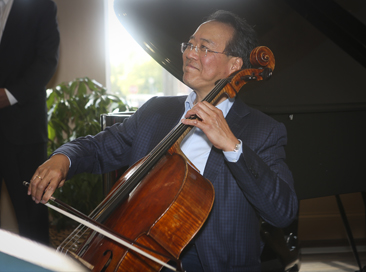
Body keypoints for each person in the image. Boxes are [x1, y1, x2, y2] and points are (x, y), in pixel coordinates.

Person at [28, 10, 297, 271]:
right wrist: (63, 159)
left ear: (235, 65)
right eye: (189, 44)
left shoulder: (263, 131)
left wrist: (232, 146)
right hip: (144, 258)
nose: (190, 53)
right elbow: (98, 147)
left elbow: (283, 212)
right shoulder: (156, 111)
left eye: (204, 48)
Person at [0, 0, 60, 245]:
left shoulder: (42, 5)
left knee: (32, 221)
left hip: (22, 132)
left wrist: (9, 95)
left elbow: (48, 60)